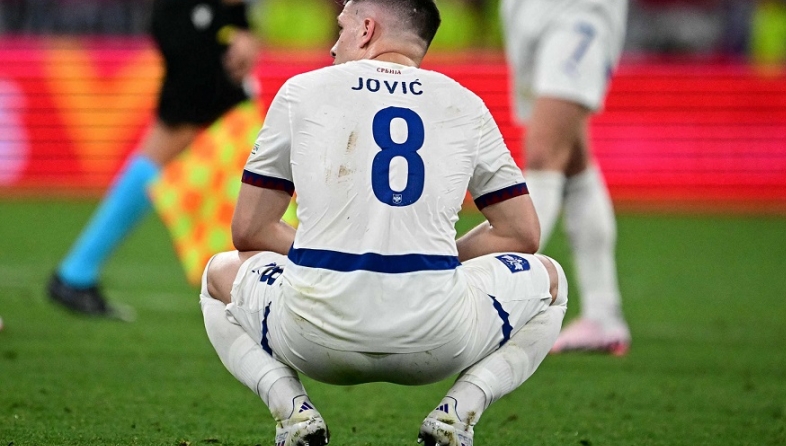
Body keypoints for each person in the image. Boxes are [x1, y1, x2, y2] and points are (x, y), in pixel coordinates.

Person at [199, 1, 569, 445]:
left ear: (367, 30)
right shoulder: (466, 103)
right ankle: (458, 414)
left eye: (342, 27)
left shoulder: (301, 91)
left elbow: (249, 231)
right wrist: (434, 258)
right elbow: (521, 233)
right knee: (551, 281)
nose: (334, 45)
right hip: (437, 339)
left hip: (313, 337)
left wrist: (332, 252)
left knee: (218, 274)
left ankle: (292, 413)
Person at [48, 0, 262, 320]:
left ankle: (76, 272)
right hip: (191, 23)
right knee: (189, 141)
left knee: (198, 146)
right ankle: (75, 273)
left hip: (199, 22)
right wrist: (241, 28)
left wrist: (241, 27)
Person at [499, 0, 631, 355]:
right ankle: (602, 314)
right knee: (573, 160)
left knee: (544, 153)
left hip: (579, 12)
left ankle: (497, 298)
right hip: (527, 13)